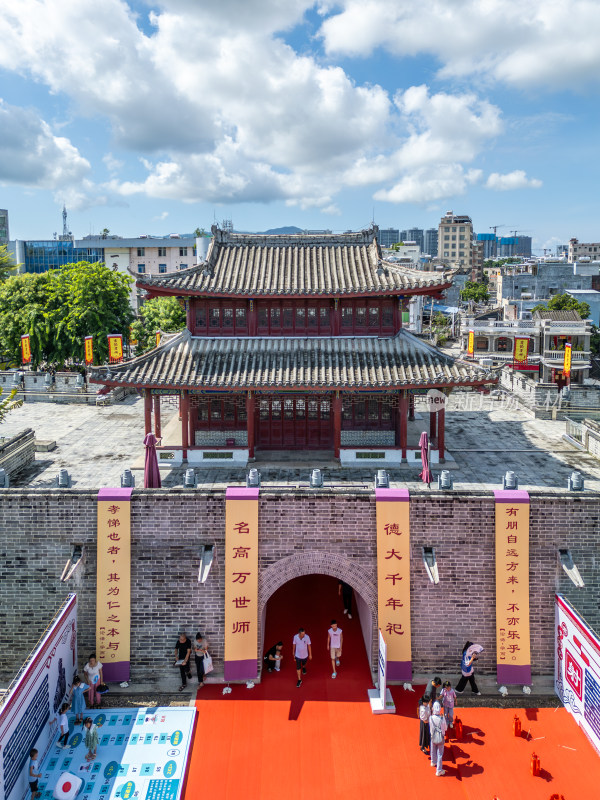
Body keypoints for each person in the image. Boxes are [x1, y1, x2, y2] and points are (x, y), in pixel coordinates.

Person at [429, 701, 448, 776]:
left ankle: (433, 762)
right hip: (440, 737)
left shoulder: (430, 718)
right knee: (440, 753)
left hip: (433, 736)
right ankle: (439, 770)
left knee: (433, 749)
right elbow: (445, 728)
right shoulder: (442, 718)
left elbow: (430, 728)